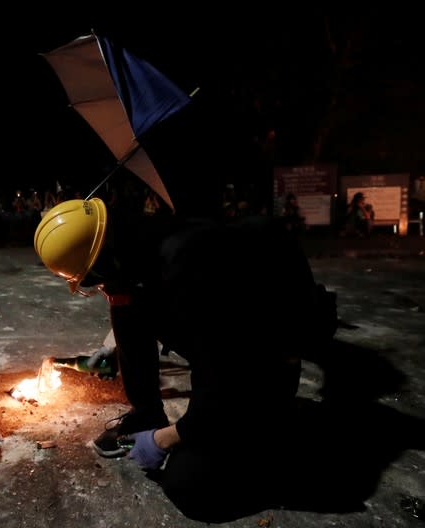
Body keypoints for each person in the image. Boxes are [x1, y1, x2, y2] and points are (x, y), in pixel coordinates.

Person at [33, 197, 337, 522]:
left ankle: (271, 441)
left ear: (107, 258)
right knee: (127, 304)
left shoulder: (191, 270)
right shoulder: (141, 244)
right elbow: (135, 309)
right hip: (229, 348)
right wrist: (139, 398)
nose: (98, 288)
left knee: (189, 486)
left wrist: (167, 437)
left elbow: (222, 378)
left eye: (94, 280)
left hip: (263, 365)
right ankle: (148, 413)